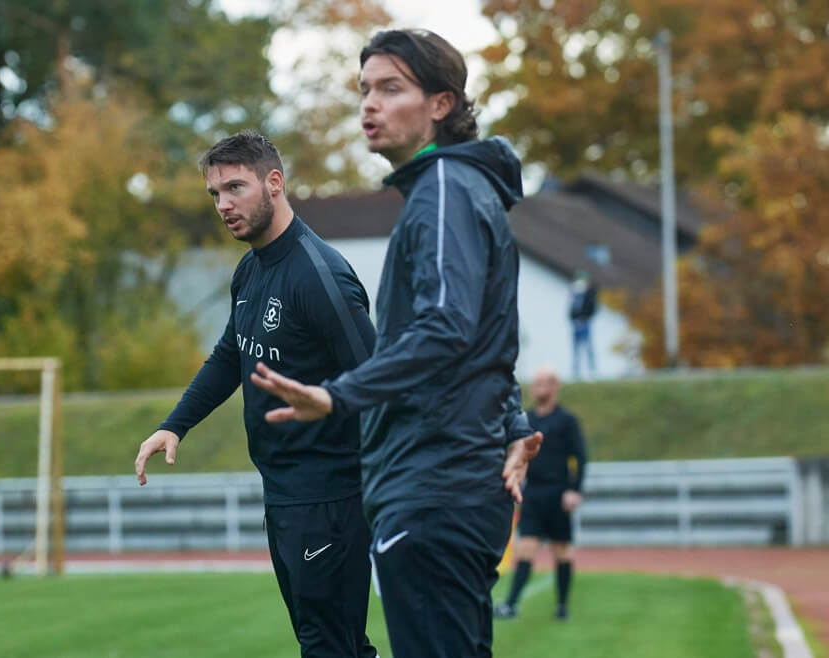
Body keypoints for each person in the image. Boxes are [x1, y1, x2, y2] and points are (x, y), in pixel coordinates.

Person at [249, 30, 544, 658]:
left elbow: (445, 328)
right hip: (446, 480)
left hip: (435, 485)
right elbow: (479, 334)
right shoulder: (456, 191)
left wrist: (337, 396)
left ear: (441, 103)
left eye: (390, 89)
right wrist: (513, 418)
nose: (369, 106)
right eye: (364, 91)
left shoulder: (444, 193)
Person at [134, 131, 379, 658]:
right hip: (285, 493)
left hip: (330, 497)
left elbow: (378, 380)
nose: (224, 205)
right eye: (215, 194)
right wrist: (175, 423)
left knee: (328, 646)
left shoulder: (320, 277)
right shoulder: (251, 269)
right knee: (335, 646)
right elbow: (231, 357)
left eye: (235, 188)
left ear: (274, 183)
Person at [494, 366, 587, 621]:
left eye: (543, 383)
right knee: (525, 548)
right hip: (533, 493)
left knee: (562, 551)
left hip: (559, 494)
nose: (537, 388)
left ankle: (562, 606)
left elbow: (579, 457)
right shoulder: (527, 419)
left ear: (554, 386)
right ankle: (511, 604)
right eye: (534, 383)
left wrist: (574, 490)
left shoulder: (566, 420)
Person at [569, 271, 598, 379]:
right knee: (576, 349)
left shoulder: (589, 294)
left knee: (588, 347)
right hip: (576, 323)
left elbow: (592, 307)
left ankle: (591, 371)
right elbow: (572, 310)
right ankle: (576, 372)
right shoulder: (574, 294)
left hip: (585, 322)